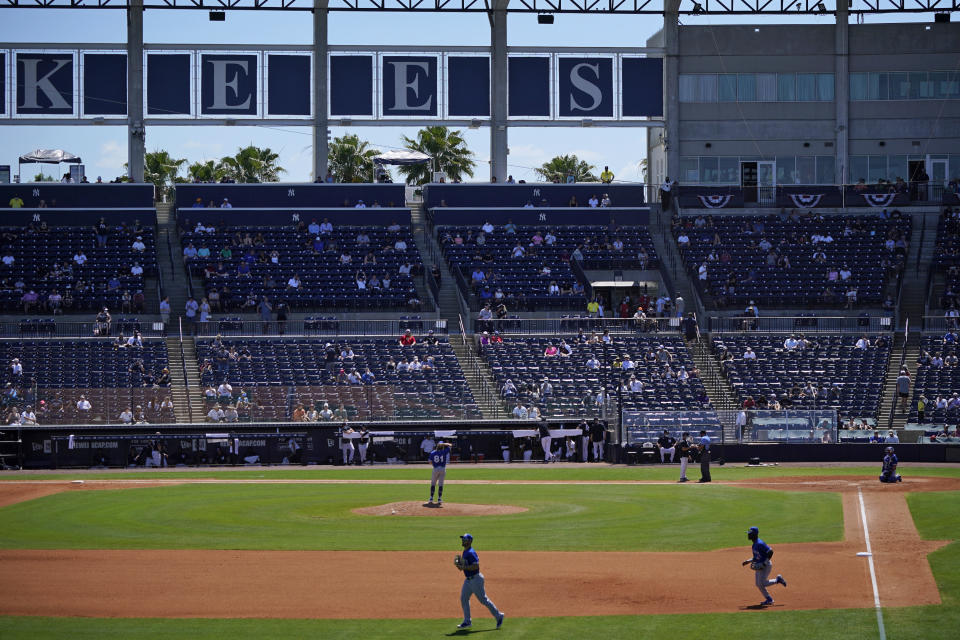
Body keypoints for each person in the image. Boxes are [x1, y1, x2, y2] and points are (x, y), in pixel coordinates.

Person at [455, 533, 505, 630]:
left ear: (469, 541)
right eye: (462, 539)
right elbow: (465, 566)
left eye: (464, 539)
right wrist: (460, 566)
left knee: (483, 600)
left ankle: (499, 616)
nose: (462, 541)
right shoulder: (465, 551)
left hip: (475, 580)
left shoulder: (471, 552)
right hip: (468, 580)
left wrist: (464, 567)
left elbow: (476, 566)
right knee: (464, 598)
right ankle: (467, 621)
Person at [741, 526, 787, 606]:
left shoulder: (760, 543)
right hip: (759, 565)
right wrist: (748, 561)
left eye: (750, 534)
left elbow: (770, 552)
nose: (748, 535)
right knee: (758, 584)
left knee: (762, 583)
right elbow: (756, 557)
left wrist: (764, 563)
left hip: (766, 565)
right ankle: (769, 599)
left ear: (754, 534)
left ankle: (777, 580)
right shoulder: (754, 545)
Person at [427, 440, 453, 505]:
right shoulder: (444, 451)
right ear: (442, 446)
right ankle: (439, 499)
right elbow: (450, 445)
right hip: (442, 469)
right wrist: (444, 444)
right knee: (440, 484)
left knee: (433, 484)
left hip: (435, 469)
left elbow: (430, 461)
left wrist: (434, 465)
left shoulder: (432, 452)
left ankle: (431, 498)